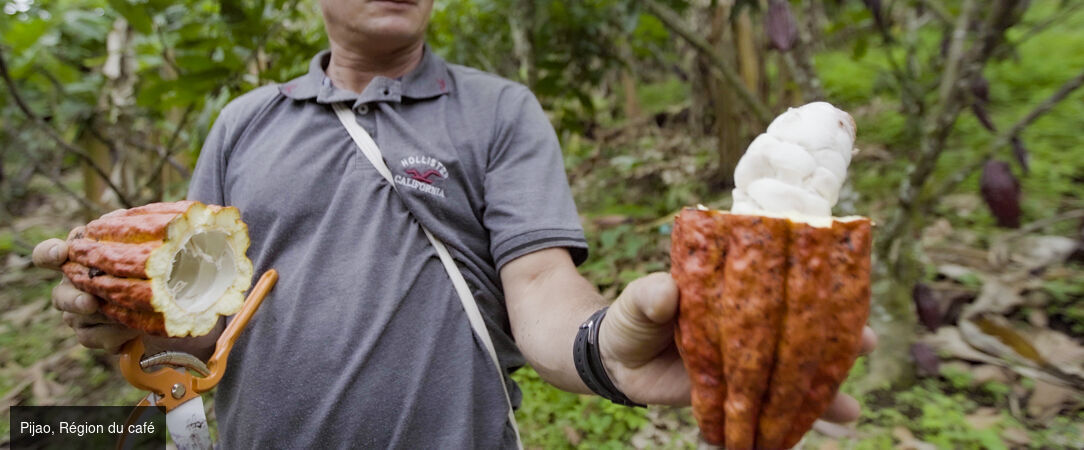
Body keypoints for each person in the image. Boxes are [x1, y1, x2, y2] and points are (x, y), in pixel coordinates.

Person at [32, 0, 876, 447]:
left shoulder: (496, 111)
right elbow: (203, 318)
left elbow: (539, 281)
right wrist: (132, 330)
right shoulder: (244, 123)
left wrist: (604, 349)